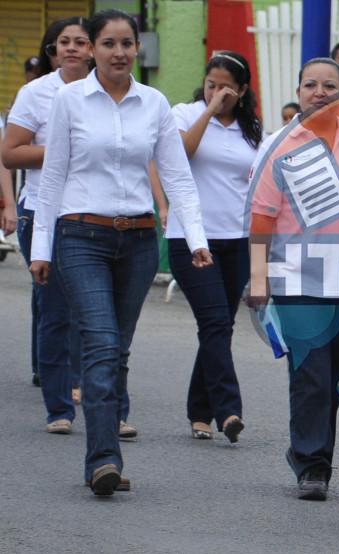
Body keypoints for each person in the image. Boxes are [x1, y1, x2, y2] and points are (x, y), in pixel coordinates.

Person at [29, 9, 211, 496]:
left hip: (137, 241)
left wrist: (196, 240)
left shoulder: (154, 104)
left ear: (137, 49)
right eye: (108, 43)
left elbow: (176, 177)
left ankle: (105, 448)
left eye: (127, 43)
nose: (119, 52)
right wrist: (40, 248)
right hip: (79, 236)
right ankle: (104, 460)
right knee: (102, 344)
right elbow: (52, 179)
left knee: (117, 350)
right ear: (92, 48)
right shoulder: (69, 100)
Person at [248, 57, 339, 500]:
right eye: (309, 84)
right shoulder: (279, 146)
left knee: (335, 375)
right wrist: (259, 278)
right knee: (310, 373)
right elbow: (261, 219)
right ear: (297, 92)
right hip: (297, 281)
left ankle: (310, 452)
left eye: (328, 85)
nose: (318, 92)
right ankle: (313, 465)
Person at [2, 17, 93, 433]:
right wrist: (61, 150)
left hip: (96, 214)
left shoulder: (110, 92)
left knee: (86, 306)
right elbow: (12, 153)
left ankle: (84, 380)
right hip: (41, 210)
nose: (72, 48)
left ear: (94, 49)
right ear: (53, 49)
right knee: (55, 307)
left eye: (81, 41)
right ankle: (59, 401)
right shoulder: (36, 93)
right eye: (64, 42)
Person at [167, 51, 261, 443]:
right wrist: (209, 111)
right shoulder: (184, 114)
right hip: (191, 238)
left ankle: (199, 412)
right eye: (211, 84)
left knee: (219, 326)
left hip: (236, 239)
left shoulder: (251, 128)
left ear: (241, 91)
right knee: (215, 323)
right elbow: (179, 155)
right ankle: (228, 409)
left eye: (226, 87)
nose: (217, 92)